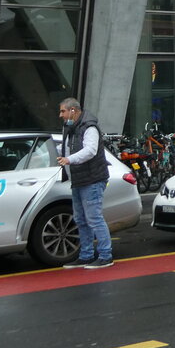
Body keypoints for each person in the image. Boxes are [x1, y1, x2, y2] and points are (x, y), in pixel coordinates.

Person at [56, 97, 112, 269]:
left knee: (94, 218)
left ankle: (105, 256)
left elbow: (90, 150)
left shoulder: (89, 127)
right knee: (80, 219)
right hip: (79, 180)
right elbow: (64, 149)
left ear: (73, 110)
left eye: (63, 111)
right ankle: (86, 255)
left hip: (92, 179)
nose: (61, 115)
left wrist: (68, 160)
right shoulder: (71, 128)